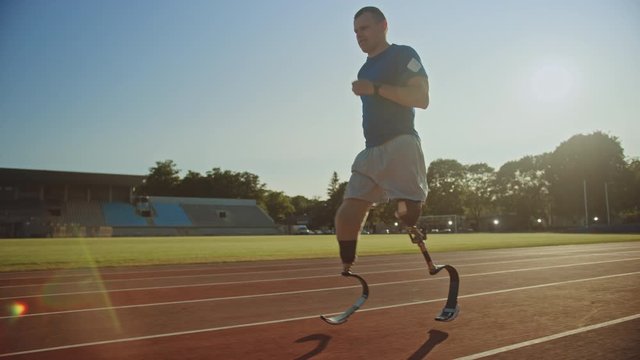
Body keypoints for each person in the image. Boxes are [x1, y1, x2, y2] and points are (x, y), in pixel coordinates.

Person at [336, 6, 430, 272]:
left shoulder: (403, 54)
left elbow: (421, 99)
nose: (359, 36)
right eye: (355, 31)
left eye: (364, 28)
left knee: (407, 213)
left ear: (383, 25)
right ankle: (347, 268)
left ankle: (412, 218)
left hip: (401, 142)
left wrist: (374, 89)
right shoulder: (365, 68)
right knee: (347, 213)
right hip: (371, 150)